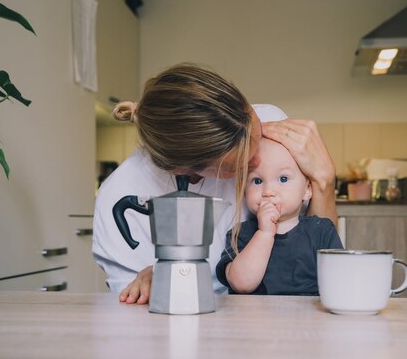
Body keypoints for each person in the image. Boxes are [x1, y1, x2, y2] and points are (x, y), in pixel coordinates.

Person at [92, 63, 338, 304]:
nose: (259, 160)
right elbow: (128, 300)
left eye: (257, 130)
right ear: (181, 169)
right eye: (239, 165)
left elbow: (314, 243)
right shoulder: (120, 194)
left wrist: (323, 179)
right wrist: (145, 281)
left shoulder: (271, 124)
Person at [216, 138, 343, 295]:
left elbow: (340, 282)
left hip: (308, 317)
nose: (268, 190)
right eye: (257, 181)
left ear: (307, 190)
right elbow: (241, 284)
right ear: (244, 190)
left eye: (283, 179)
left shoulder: (321, 231)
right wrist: (265, 233)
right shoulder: (241, 233)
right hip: (252, 318)